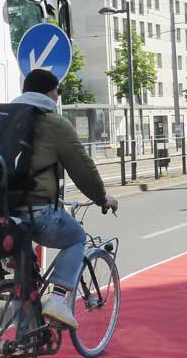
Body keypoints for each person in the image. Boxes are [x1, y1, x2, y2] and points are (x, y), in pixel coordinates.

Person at [10, 69, 119, 329]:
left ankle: (22, 335)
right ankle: (58, 300)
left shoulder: (3, 118)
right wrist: (102, 197)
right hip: (37, 211)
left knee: (25, 271)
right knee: (76, 238)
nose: (58, 96)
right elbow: (82, 167)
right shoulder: (54, 123)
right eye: (57, 91)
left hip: (3, 212)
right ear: (49, 93)